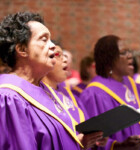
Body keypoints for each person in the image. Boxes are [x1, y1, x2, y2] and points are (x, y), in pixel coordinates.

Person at [0, 12, 103, 150]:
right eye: (44, 39)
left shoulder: (47, 91)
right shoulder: (9, 96)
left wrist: (79, 144)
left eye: (51, 39)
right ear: (22, 49)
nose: (53, 46)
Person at [79, 35, 140, 150]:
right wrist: (118, 146)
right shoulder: (94, 94)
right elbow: (91, 139)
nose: (130, 56)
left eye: (129, 52)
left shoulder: (136, 87)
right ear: (108, 59)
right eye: (123, 52)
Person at [41, 45, 108, 149]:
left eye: (65, 55)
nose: (65, 59)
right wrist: (78, 145)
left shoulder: (71, 96)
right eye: (58, 55)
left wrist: (96, 137)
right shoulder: (38, 97)